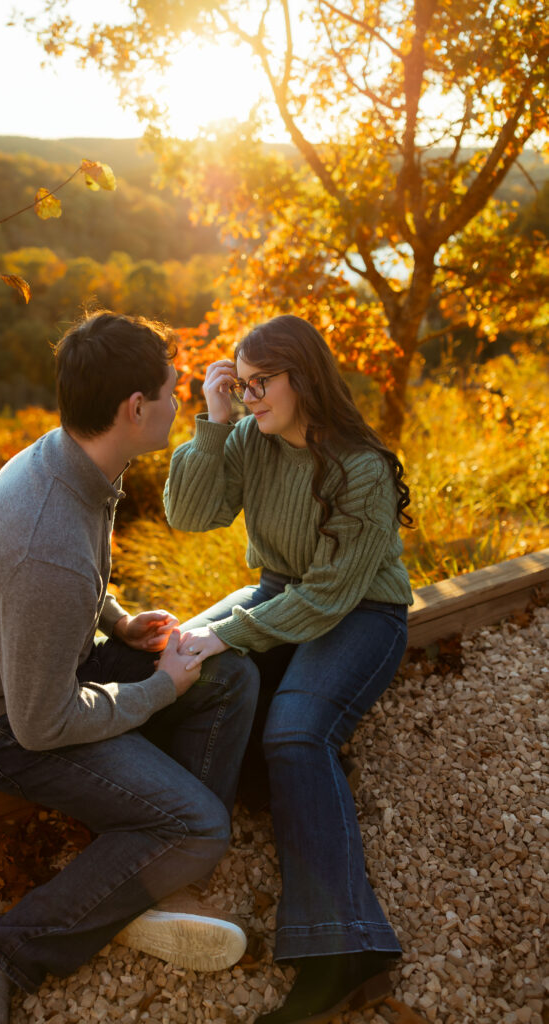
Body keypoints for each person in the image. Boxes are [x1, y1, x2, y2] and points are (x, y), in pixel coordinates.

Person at [0, 311, 260, 1024]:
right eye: (171, 391)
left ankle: (146, 871)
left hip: (52, 669)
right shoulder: (43, 539)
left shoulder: (71, 458)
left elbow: (72, 587)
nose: (179, 403)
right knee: (198, 827)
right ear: (135, 409)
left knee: (227, 675)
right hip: (0, 722)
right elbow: (40, 723)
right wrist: (161, 688)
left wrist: (117, 620)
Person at [163, 314, 414, 1024]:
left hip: (361, 612)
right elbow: (187, 514)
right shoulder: (248, 438)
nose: (247, 399)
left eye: (258, 384)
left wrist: (233, 633)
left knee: (296, 734)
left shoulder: (361, 469)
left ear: (301, 376)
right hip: (279, 591)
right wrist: (210, 424)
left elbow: (330, 597)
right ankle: (234, 802)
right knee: (179, 654)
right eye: (238, 386)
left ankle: (346, 953)